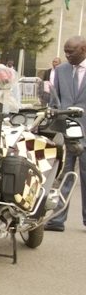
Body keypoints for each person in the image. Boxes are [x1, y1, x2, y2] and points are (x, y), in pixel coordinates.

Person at [46, 35, 86, 232]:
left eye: (71, 52)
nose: (67, 55)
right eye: (65, 52)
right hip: (65, 132)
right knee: (62, 176)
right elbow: (55, 100)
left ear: (84, 50)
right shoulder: (60, 70)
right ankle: (57, 219)